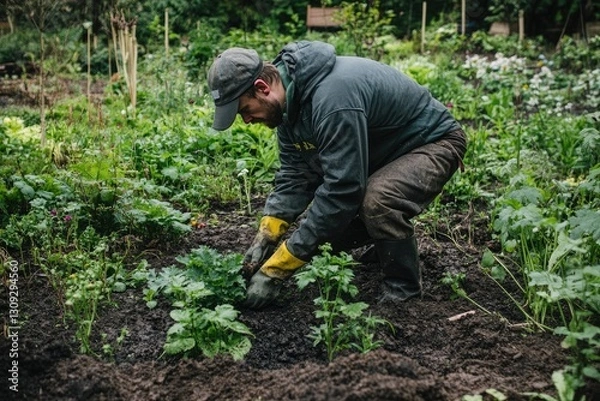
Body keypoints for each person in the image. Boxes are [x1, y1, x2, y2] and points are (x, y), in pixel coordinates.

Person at [207, 41, 467, 309]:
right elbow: (295, 176)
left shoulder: (333, 99)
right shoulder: (288, 109)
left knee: (377, 200)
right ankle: (384, 243)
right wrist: (266, 235)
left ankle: (404, 293)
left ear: (262, 88)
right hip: (382, 153)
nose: (247, 120)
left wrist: (277, 269)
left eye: (245, 110)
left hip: (431, 143)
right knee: (328, 233)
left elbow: (343, 190)